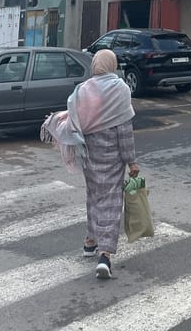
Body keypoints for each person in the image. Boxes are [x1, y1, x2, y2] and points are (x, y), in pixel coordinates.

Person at [41, 49, 140, 279]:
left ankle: (90, 241)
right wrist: (131, 161)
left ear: (96, 64)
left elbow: (76, 123)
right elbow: (124, 130)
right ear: (112, 64)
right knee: (111, 203)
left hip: (89, 155)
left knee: (94, 197)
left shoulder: (83, 90)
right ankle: (105, 254)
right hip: (112, 158)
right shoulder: (120, 89)